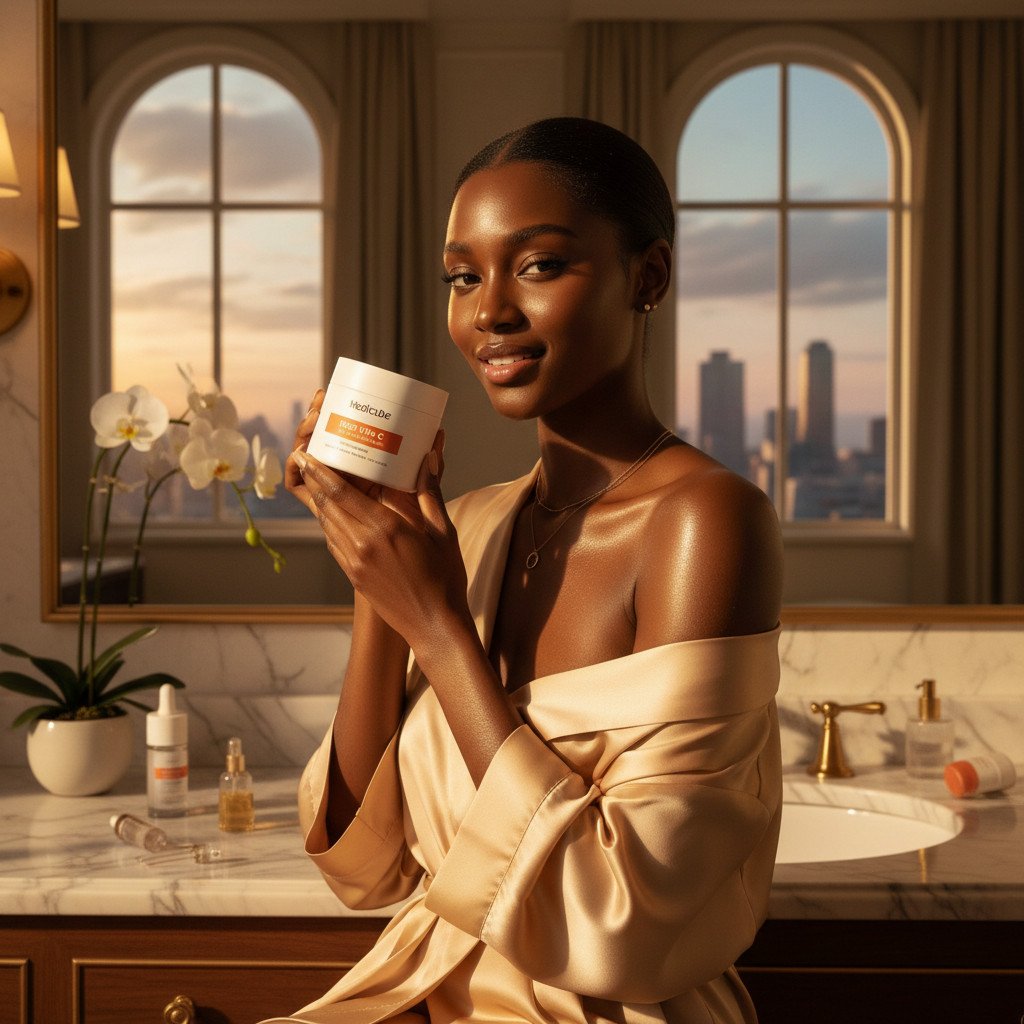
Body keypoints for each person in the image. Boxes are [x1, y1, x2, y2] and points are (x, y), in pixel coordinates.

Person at [261, 117, 783, 1024]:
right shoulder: (468, 525)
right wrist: (377, 573)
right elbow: (363, 863)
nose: (489, 310)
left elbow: (626, 925)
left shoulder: (703, 518)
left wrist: (435, 623)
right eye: (463, 277)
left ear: (647, 276)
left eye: (538, 265)